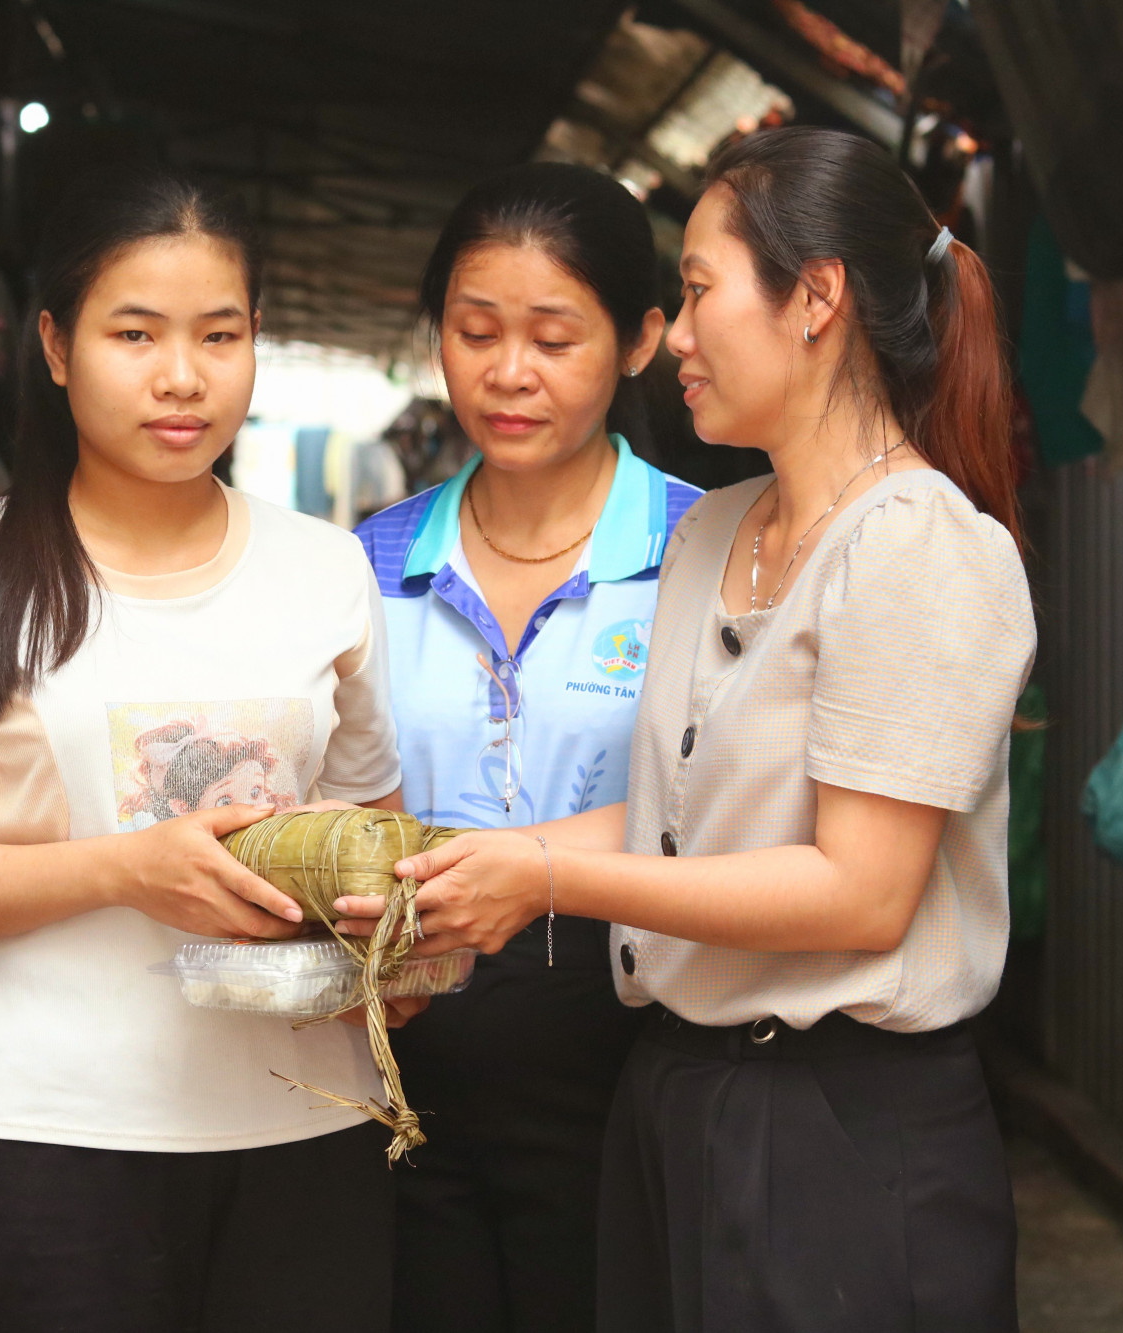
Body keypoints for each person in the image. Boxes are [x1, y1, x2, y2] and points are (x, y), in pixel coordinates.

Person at [339, 125, 1034, 1331]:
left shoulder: (917, 542)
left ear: (814, 300)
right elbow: (671, 822)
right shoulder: (714, 531)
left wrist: (544, 871)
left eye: (701, 293)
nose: (681, 336)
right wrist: (471, 873)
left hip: (842, 1116)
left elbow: (861, 893)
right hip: (680, 1087)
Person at [0, 170, 415, 1333]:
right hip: (60, 1137)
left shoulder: (323, 567)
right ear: (55, 346)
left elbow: (372, 838)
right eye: (134, 333)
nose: (181, 376)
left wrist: (391, 939)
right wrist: (124, 868)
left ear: (256, 340)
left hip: (309, 1122)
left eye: (219, 335)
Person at [353, 162, 698, 1332]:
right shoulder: (364, 566)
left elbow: (730, 808)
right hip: (410, 1060)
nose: (507, 373)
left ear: (641, 338)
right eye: (474, 331)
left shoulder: (708, 557)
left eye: (553, 336)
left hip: (638, 1058)